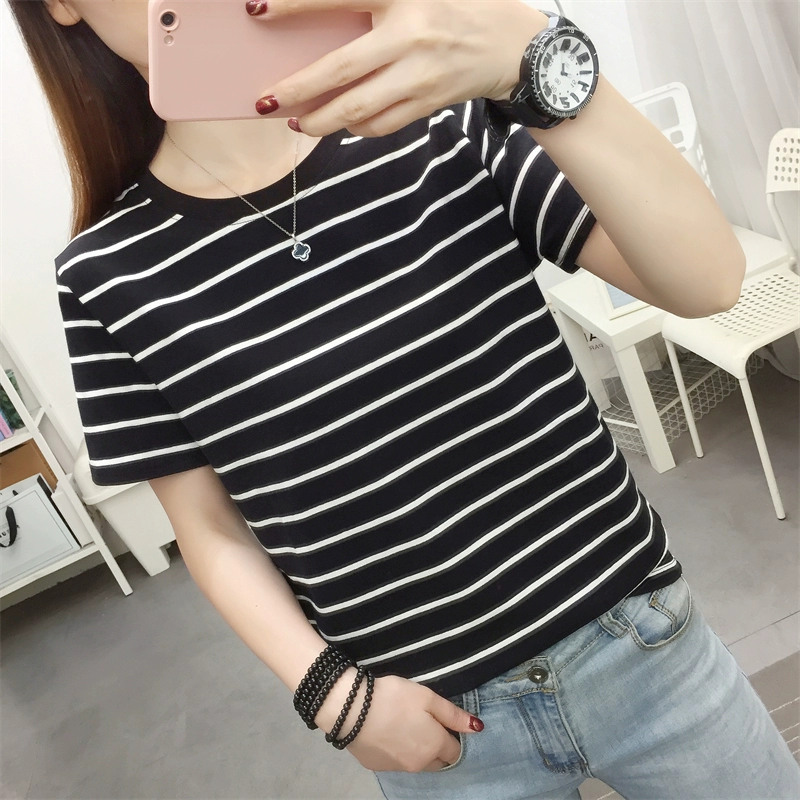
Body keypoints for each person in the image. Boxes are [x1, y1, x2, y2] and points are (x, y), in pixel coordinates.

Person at [9, 0, 800, 797]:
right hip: (441, 734)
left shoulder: (438, 120)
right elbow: (208, 529)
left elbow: (707, 280)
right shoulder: (104, 274)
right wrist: (334, 700)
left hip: (640, 638)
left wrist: (532, 53)